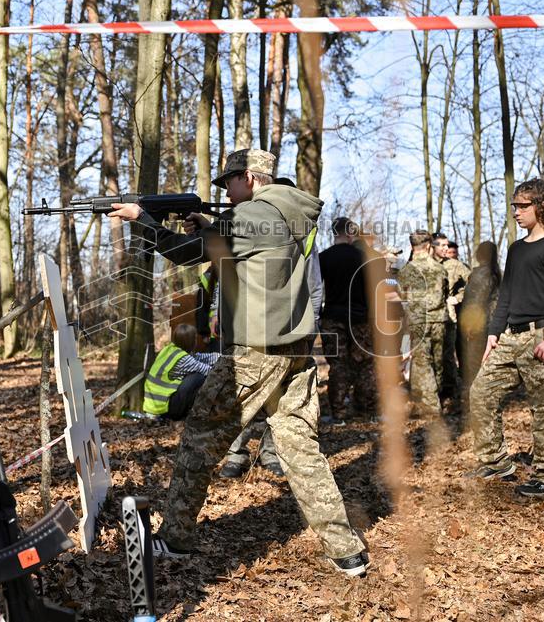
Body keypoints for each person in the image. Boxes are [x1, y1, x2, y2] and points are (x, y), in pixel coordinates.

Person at [107, 149, 369, 576]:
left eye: (229, 183)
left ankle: (174, 539)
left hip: (254, 350)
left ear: (250, 177)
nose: (226, 193)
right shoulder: (291, 213)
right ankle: (347, 552)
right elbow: (254, 253)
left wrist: (142, 219)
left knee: (199, 438)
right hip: (296, 348)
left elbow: (183, 252)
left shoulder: (248, 217)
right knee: (301, 450)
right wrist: (213, 229)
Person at [467, 179, 544, 498]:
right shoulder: (516, 249)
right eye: (514, 205)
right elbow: (505, 297)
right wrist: (493, 334)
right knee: (481, 393)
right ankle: (495, 461)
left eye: (522, 205)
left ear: (542, 206)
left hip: (543, 336)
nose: (515, 211)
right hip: (509, 339)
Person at [219, 176, 319, 478]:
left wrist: (308, 327)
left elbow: (313, 285)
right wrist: (214, 310)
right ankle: (235, 454)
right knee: (238, 399)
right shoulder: (242, 226)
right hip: (238, 326)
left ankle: (270, 453)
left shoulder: (296, 231)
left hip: (275, 333)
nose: (226, 197)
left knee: (275, 401)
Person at [319, 217, 379, 420]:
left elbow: (316, 289)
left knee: (337, 364)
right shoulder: (364, 258)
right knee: (365, 364)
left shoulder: (323, 258)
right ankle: (366, 411)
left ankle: (339, 413)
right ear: (351, 233)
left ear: (333, 233)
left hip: (333, 317)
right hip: (361, 318)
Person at [396, 230, 449, 417]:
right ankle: (437, 398)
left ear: (412, 246)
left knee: (422, 363)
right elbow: (445, 292)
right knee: (438, 361)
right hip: (439, 320)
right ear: (428, 246)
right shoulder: (440, 269)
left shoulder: (406, 270)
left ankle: (431, 406)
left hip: (419, 321)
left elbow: (401, 295)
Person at [143, 324, 221, 420]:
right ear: (191, 342)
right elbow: (208, 370)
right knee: (199, 377)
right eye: (195, 338)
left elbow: (200, 357)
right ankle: (190, 413)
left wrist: (224, 356)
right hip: (163, 410)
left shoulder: (169, 349)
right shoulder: (184, 360)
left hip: (154, 406)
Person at [458, 241, 501, 402]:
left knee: (475, 363)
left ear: (479, 254)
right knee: (490, 362)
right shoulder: (498, 273)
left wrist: (469, 327)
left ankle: (478, 399)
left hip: (480, 325)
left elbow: (473, 302)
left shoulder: (479, 275)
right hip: (495, 325)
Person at [433, 233, 470, 401]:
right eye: (443, 246)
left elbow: (475, 282)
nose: (447, 249)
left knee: (447, 355)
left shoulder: (455, 265)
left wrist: (457, 298)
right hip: (427, 318)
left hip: (448, 318)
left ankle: (450, 393)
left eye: (448, 246)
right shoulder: (421, 265)